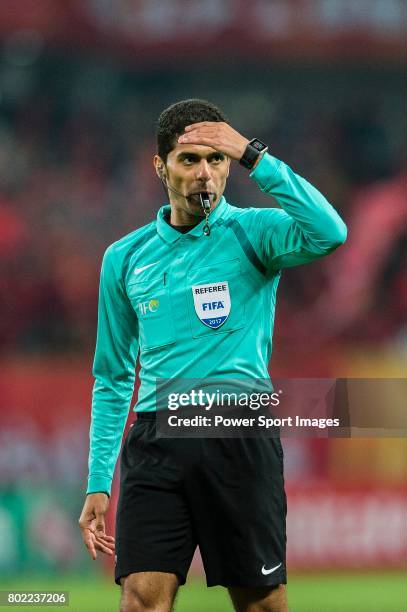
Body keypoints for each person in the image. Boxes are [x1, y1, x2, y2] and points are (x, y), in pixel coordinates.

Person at [78, 99, 347, 612]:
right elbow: (112, 377)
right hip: (156, 438)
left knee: (261, 603)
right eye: (189, 160)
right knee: (141, 600)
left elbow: (330, 232)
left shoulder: (254, 232)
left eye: (215, 159)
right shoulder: (124, 258)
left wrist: (252, 155)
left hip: (238, 431)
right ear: (160, 166)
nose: (205, 173)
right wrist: (97, 483)